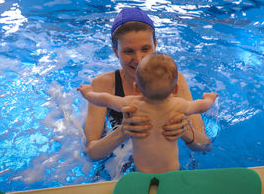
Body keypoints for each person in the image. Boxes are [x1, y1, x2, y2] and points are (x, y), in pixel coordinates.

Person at [83, 7, 212, 163]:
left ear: (155, 44)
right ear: (116, 51)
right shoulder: (103, 85)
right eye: (129, 51)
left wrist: (184, 130)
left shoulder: (173, 80)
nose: (138, 59)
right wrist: (123, 132)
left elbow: (204, 145)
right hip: (116, 165)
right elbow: (91, 152)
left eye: (145, 49)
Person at [78, 52, 217, 173]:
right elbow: (202, 106)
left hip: (140, 174)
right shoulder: (179, 105)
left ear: (136, 87)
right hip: (173, 173)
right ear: (175, 89)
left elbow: (104, 99)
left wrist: (87, 92)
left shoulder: (131, 104)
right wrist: (209, 98)